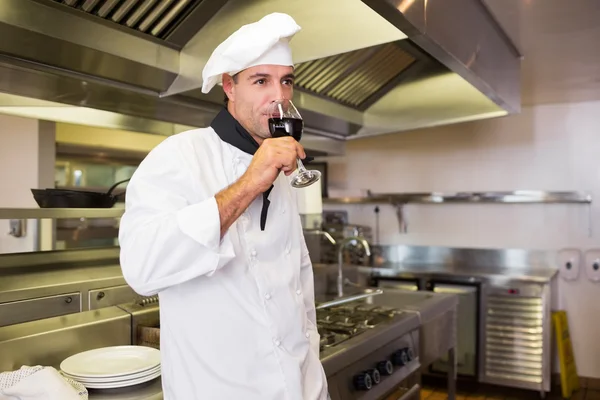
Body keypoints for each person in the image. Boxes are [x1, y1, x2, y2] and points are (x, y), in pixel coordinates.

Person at [118, 12, 329, 400]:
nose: (279, 97)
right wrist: (249, 183)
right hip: (220, 389)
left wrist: (314, 377)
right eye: (261, 81)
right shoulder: (179, 155)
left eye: (286, 81)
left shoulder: (282, 170)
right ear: (229, 86)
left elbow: (298, 282)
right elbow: (141, 269)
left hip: (301, 386)